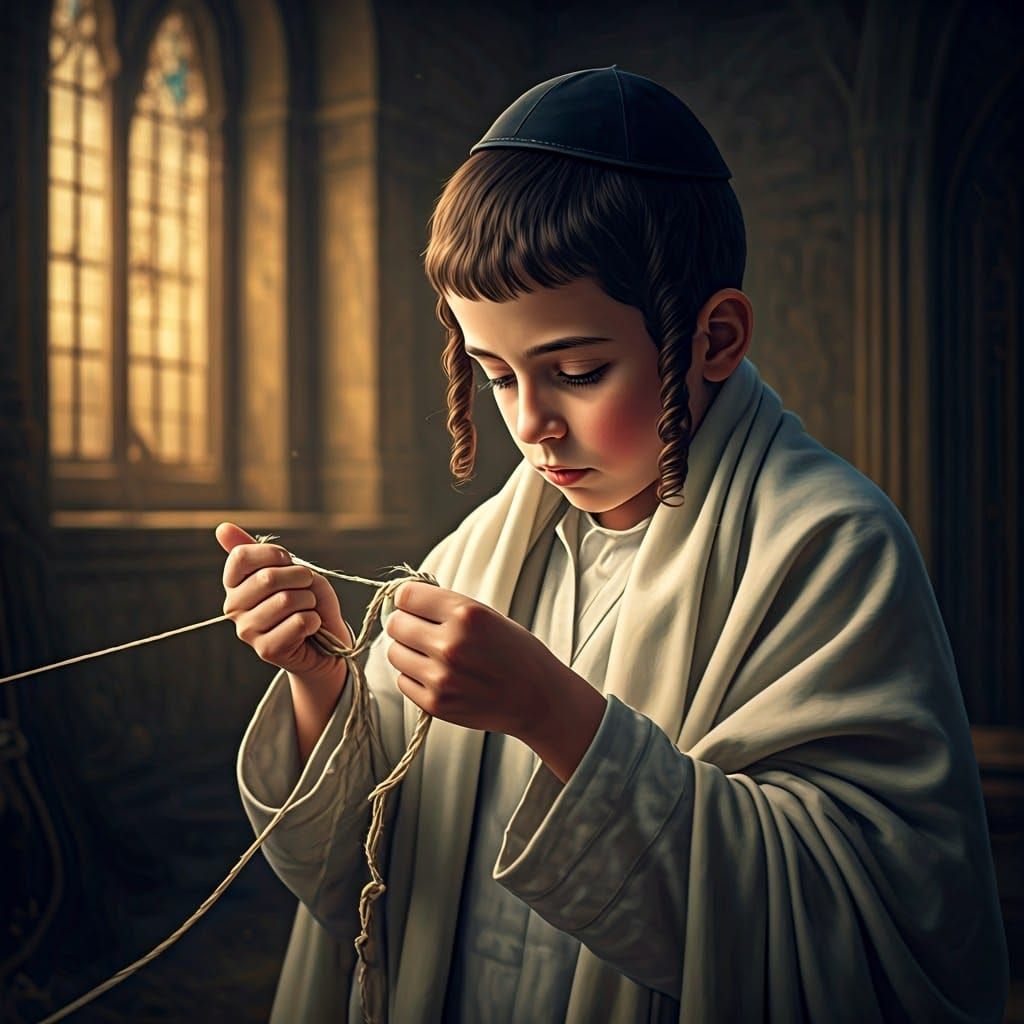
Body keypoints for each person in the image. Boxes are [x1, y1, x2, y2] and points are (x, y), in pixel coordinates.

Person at [217, 67, 1007, 1023]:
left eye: (579, 371)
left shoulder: (831, 548)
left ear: (714, 338)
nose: (533, 425)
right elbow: (368, 870)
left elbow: (866, 926)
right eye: (496, 376)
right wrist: (323, 683)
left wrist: (553, 712)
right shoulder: (477, 554)